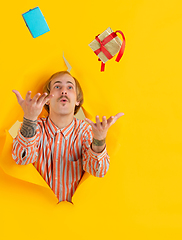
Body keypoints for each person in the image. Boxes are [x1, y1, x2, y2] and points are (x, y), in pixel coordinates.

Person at [11, 71, 124, 203]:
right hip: (37, 212)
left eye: (70, 87)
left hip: (74, 218)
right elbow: (21, 158)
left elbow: (98, 171)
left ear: (78, 101)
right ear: (47, 100)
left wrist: (99, 139)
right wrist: (29, 118)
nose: (64, 91)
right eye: (57, 87)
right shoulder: (35, 128)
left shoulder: (86, 131)